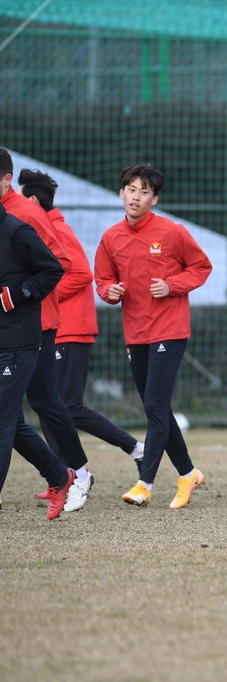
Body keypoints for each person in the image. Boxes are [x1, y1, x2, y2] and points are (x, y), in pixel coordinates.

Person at [94, 165, 213, 508]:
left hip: (170, 330)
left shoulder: (172, 232)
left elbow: (202, 267)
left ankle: (144, 483)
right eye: (131, 189)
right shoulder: (111, 237)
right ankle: (189, 474)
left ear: (154, 199)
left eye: (144, 192)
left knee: (155, 406)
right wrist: (109, 291)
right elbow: (101, 278)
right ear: (121, 193)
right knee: (157, 408)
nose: (136, 196)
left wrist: (172, 285)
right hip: (136, 333)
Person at [18, 169, 146, 478]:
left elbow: (79, 273)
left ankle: (133, 449)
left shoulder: (55, 229)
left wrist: (38, 296)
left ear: (33, 200)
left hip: (70, 327)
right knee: (51, 406)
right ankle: (67, 476)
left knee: (64, 406)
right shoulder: (44, 226)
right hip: (58, 327)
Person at [0, 148, 95, 512]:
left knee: (42, 402)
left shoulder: (24, 213)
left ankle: (77, 475)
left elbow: (63, 265)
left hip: (32, 325)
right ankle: (63, 474)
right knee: (27, 408)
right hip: (11, 325)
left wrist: (23, 297)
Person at [0, 200, 74, 520]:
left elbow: (53, 268)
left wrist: (16, 295)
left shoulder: (17, 230)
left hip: (18, 342)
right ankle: (59, 476)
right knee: (11, 423)